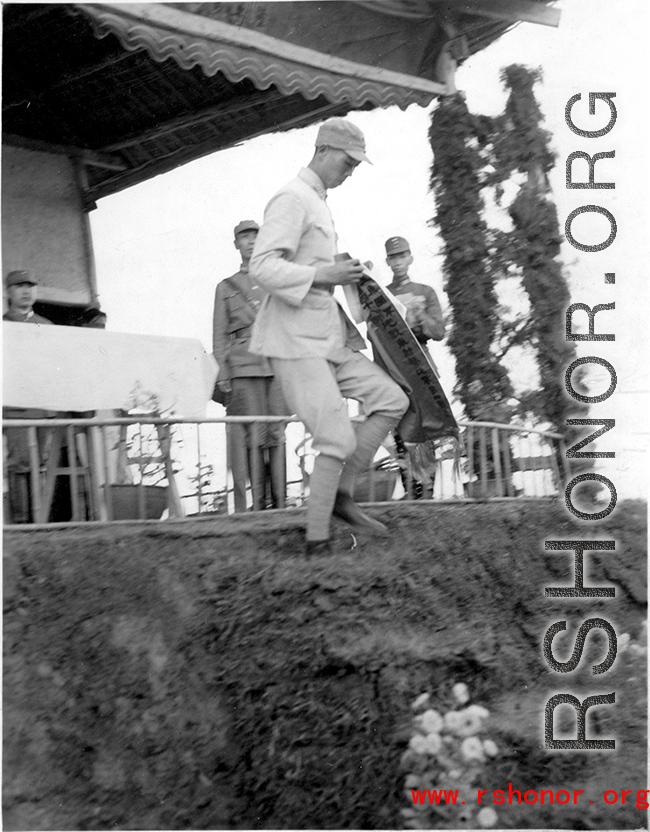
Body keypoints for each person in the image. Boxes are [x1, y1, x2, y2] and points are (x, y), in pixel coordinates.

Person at [249, 117, 409, 556]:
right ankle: (316, 539)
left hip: (326, 337)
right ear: (323, 150)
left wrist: (350, 274)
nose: (351, 170)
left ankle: (340, 495)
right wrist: (326, 274)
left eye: (357, 164)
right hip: (294, 343)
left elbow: (316, 269)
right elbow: (261, 268)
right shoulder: (291, 197)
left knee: (392, 399)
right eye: (348, 161)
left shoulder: (317, 201)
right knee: (335, 438)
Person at [213, 220, 288, 512]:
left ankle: (281, 503)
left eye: (255, 236)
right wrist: (222, 370)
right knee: (254, 435)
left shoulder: (276, 278)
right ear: (236, 245)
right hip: (243, 365)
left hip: (276, 362)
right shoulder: (226, 286)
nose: (250, 241)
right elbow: (219, 333)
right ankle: (258, 505)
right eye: (244, 237)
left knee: (278, 433)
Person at [383, 236, 446, 499]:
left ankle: (428, 488)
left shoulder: (425, 291)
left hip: (421, 360)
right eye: (393, 257)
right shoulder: (384, 293)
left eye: (402, 256)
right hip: (395, 364)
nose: (398, 262)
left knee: (426, 424)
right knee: (400, 424)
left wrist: (420, 315)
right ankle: (411, 487)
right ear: (388, 261)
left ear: (410, 258)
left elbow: (439, 332)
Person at [3, 270, 53, 522]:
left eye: (30, 286)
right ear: (7, 292)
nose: (26, 291)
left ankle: (40, 522)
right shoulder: (3, 326)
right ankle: (22, 522)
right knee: (20, 462)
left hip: (42, 406)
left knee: (42, 462)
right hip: (15, 407)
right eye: (19, 286)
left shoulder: (48, 327)